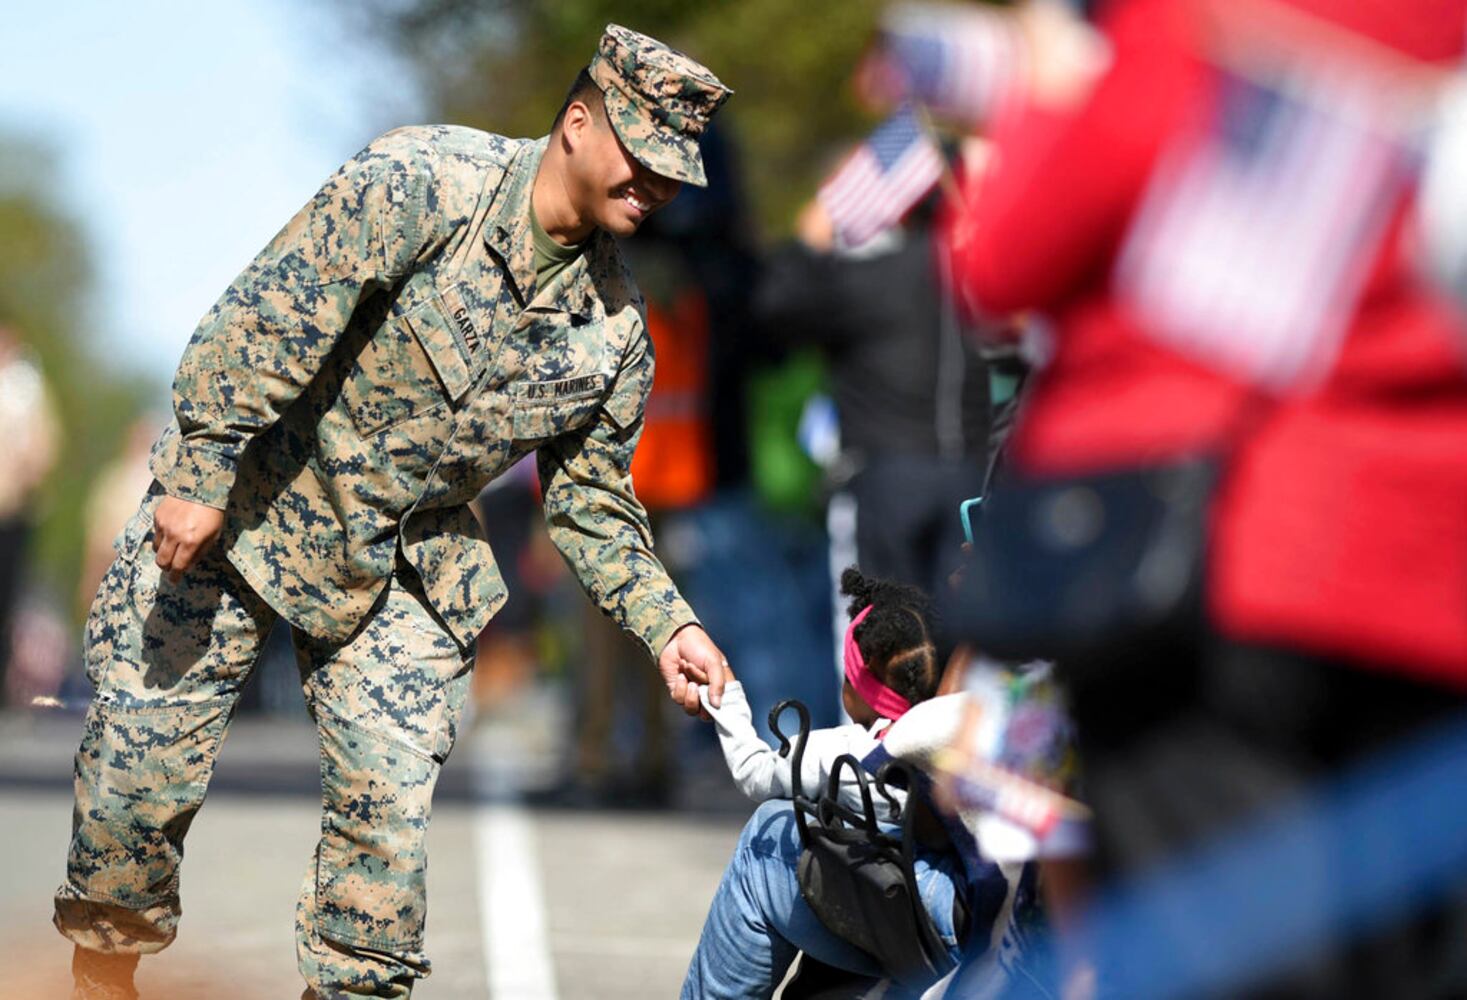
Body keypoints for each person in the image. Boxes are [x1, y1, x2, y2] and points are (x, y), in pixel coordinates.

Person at [55, 24, 733, 1000]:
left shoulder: (615, 332)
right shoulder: (427, 181)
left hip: (395, 569)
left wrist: (670, 624)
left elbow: (590, 507)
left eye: (675, 173)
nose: (657, 186)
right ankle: (98, 978)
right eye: (642, 158)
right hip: (247, 505)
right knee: (130, 797)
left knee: (383, 863)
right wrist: (201, 467)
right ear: (578, 123)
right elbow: (267, 312)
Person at [946, 0, 1467, 995]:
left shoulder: (1204, 19)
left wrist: (1046, 77)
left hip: (1227, 577)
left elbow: (1007, 254)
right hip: (1433, 597)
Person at [681, 567, 967, 998]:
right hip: (979, 900)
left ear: (858, 690)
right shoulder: (959, 726)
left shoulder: (848, 748)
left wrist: (727, 699)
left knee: (770, 830)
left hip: (933, 912)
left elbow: (755, 773)